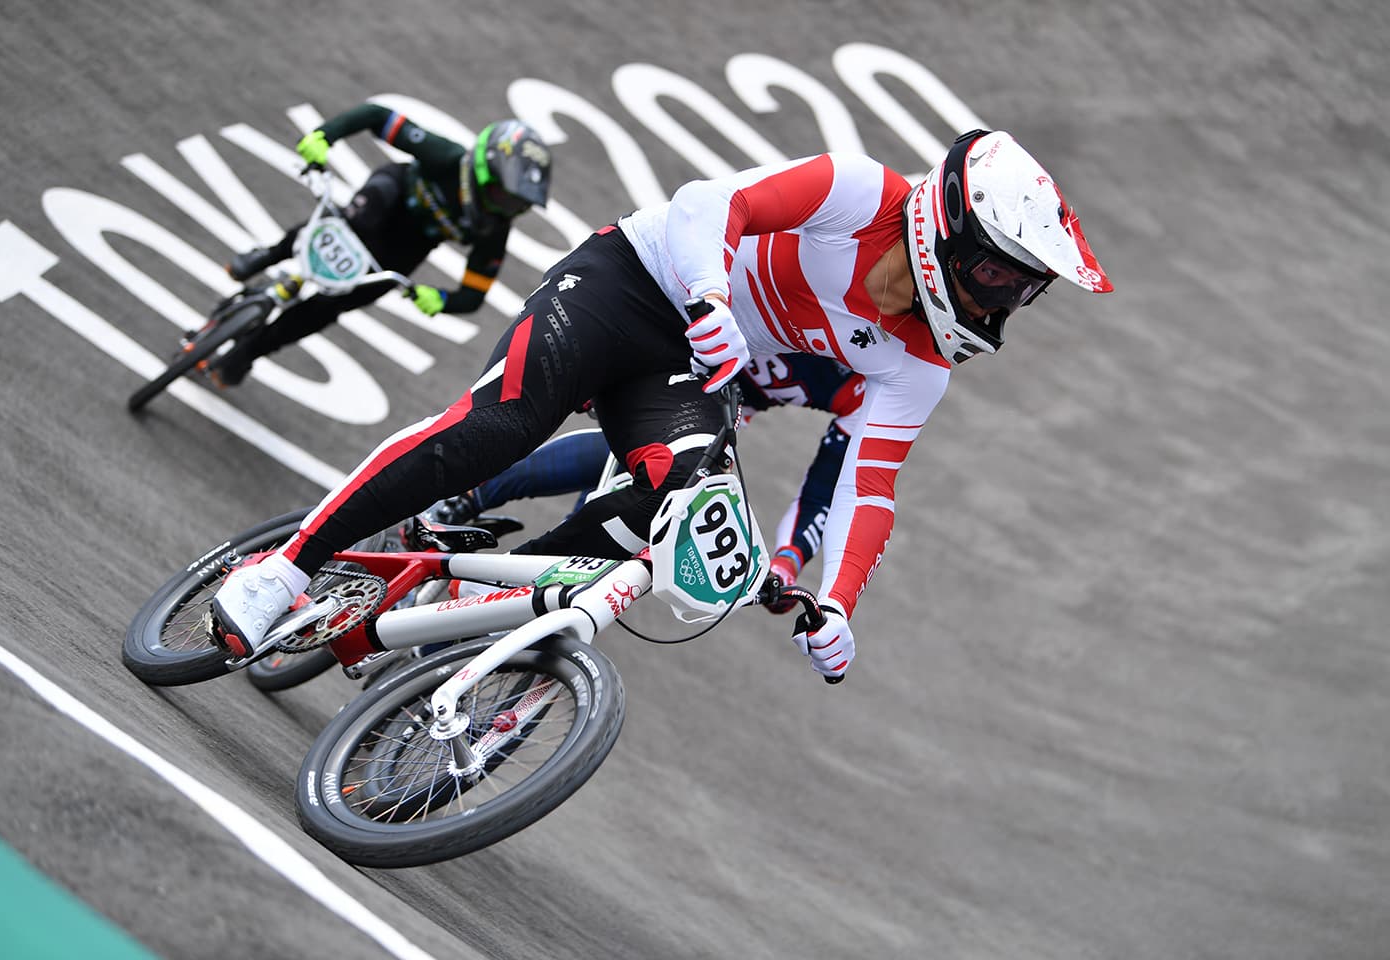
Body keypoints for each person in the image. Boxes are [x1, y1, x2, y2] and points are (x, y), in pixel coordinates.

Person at [209, 128, 1112, 680]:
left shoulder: (922, 365)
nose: (1001, 302)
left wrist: (835, 602)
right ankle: (285, 568)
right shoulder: (860, 192)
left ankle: (458, 603)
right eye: (999, 274)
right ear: (948, 229)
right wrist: (714, 298)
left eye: (1021, 289)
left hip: (687, 368)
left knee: (668, 516)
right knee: (505, 424)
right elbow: (703, 205)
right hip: (631, 286)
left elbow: (869, 489)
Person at [411, 352, 865, 613]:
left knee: (681, 488)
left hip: (729, 405)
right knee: (659, 462)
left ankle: (520, 588)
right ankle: (466, 499)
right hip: (675, 354)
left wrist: (787, 562)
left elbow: (827, 487)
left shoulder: (878, 383)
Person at [207, 104, 552, 386]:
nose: (504, 209)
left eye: (516, 205)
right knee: (350, 226)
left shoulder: (495, 231)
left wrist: (441, 300)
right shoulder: (444, 157)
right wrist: (324, 137)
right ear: (480, 169)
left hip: (407, 247)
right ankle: (269, 255)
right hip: (391, 194)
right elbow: (376, 115)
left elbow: (473, 296)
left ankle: (248, 353)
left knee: (334, 304)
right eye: (500, 195)